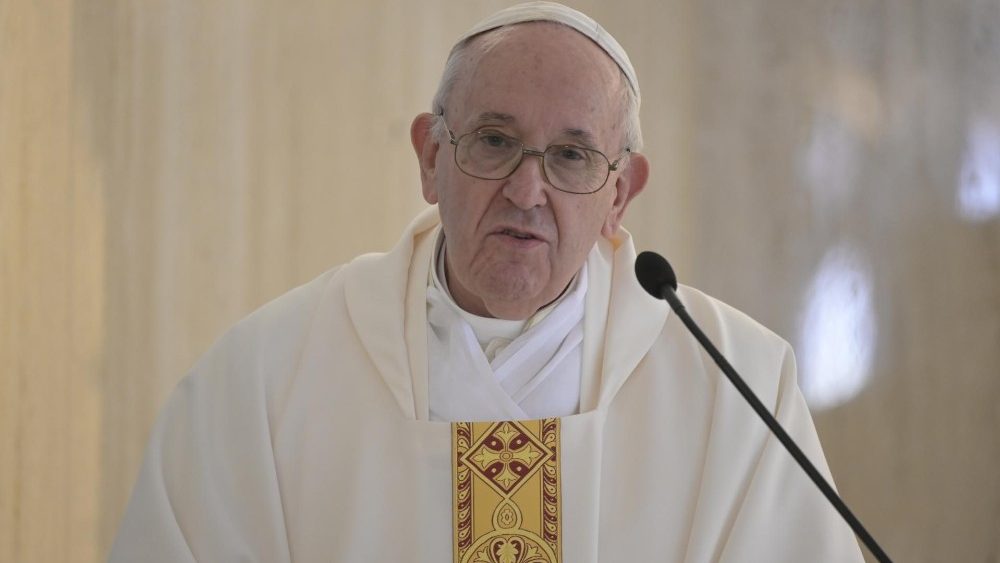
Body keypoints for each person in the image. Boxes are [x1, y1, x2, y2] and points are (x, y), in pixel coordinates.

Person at [110, 3, 864, 561]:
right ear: (429, 157)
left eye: (571, 155)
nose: (526, 190)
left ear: (620, 194)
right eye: (495, 141)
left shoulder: (736, 392)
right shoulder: (266, 382)